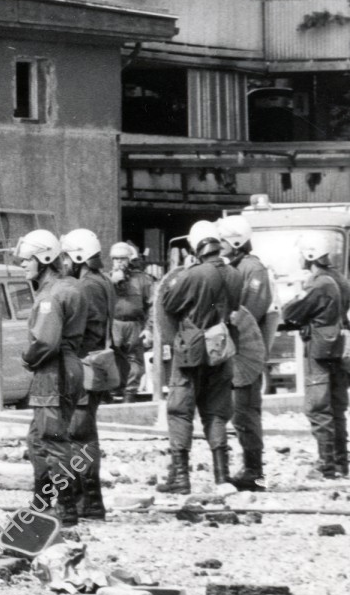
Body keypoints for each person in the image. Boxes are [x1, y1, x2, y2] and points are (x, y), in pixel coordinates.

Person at [154, 221, 242, 495]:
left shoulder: (193, 274)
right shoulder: (235, 274)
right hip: (221, 349)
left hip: (191, 351)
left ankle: (180, 478)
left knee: (180, 411)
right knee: (216, 411)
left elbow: (168, 304)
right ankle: (222, 476)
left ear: (196, 246)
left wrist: (186, 272)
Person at [15, 230, 84, 523]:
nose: (22, 266)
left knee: (51, 440)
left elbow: (44, 341)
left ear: (43, 258)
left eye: (26, 261)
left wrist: (27, 358)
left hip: (52, 370)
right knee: (37, 438)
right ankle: (42, 502)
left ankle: (65, 508)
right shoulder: (69, 287)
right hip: (68, 366)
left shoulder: (50, 296)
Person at [279, 235, 349, 480]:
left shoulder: (318, 283)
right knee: (338, 407)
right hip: (339, 351)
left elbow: (290, 311)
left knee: (319, 407)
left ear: (310, 256)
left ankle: (326, 465)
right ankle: (341, 463)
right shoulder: (340, 279)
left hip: (320, 352)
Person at [218, 216, 275, 490]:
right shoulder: (241, 267)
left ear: (237, 241)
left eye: (223, 240)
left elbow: (248, 314)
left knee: (245, 412)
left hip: (246, 354)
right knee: (241, 411)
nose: (219, 245)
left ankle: (254, 471)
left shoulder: (253, 270)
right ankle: (252, 469)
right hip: (238, 352)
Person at [61, 228, 113, 521]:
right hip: (95, 365)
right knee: (85, 433)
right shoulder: (102, 282)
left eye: (67, 257)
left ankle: (88, 502)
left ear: (78, 256)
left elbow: (82, 328)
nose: (64, 263)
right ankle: (90, 502)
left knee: (79, 435)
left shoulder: (86, 287)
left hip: (83, 365)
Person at [109, 241, 154, 399]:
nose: (119, 262)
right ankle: (113, 393)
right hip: (114, 324)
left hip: (134, 324)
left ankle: (130, 394)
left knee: (135, 362)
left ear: (129, 260)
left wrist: (148, 329)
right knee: (112, 360)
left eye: (122, 259)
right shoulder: (107, 280)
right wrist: (112, 283)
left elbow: (151, 306)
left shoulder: (142, 280)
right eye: (115, 259)